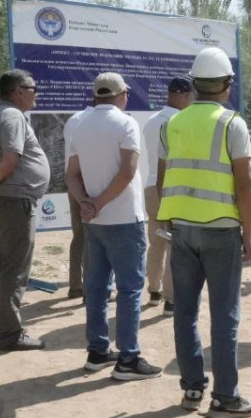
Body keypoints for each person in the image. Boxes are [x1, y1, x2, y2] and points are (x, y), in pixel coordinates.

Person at [156, 47, 251, 418]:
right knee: (224, 315)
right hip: (221, 230)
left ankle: (192, 388)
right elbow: (244, 185)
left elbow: (163, 179)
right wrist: (248, 233)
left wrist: (169, 216)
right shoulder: (232, 124)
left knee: (184, 312)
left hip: (182, 230)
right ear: (227, 84)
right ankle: (225, 396)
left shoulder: (173, 124)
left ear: (195, 85)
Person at [66, 73, 161, 380]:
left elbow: (71, 174)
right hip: (124, 219)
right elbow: (127, 173)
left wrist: (86, 203)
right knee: (130, 289)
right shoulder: (126, 123)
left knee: (97, 287)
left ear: (96, 95)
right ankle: (128, 358)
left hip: (95, 222)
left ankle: (97, 352)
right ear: (122, 95)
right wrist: (98, 203)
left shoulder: (80, 124)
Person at [0, 69, 51, 351]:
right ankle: (11, 334)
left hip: (8, 199)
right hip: (15, 201)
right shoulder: (13, 116)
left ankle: (0, 327)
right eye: (33, 88)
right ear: (18, 91)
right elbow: (10, 157)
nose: (36, 93)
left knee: (3, 266)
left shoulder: (0, 114)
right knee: (14, 269)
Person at [142, 76, 195, 314]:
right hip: (173, 189)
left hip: (151, 186)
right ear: (184, 95)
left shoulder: (151, 121)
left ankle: (154, 290)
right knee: (175, 245)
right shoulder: (181, 122)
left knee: (156, 243)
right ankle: (171, 300)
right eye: (191, 96)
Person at [63, 102, 92, 300]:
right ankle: (91, 289)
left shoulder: (73, 119)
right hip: (89, 182)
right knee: (93, 238)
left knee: (79, 235)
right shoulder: (95, 122)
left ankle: (75, 285)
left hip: (72, 181)